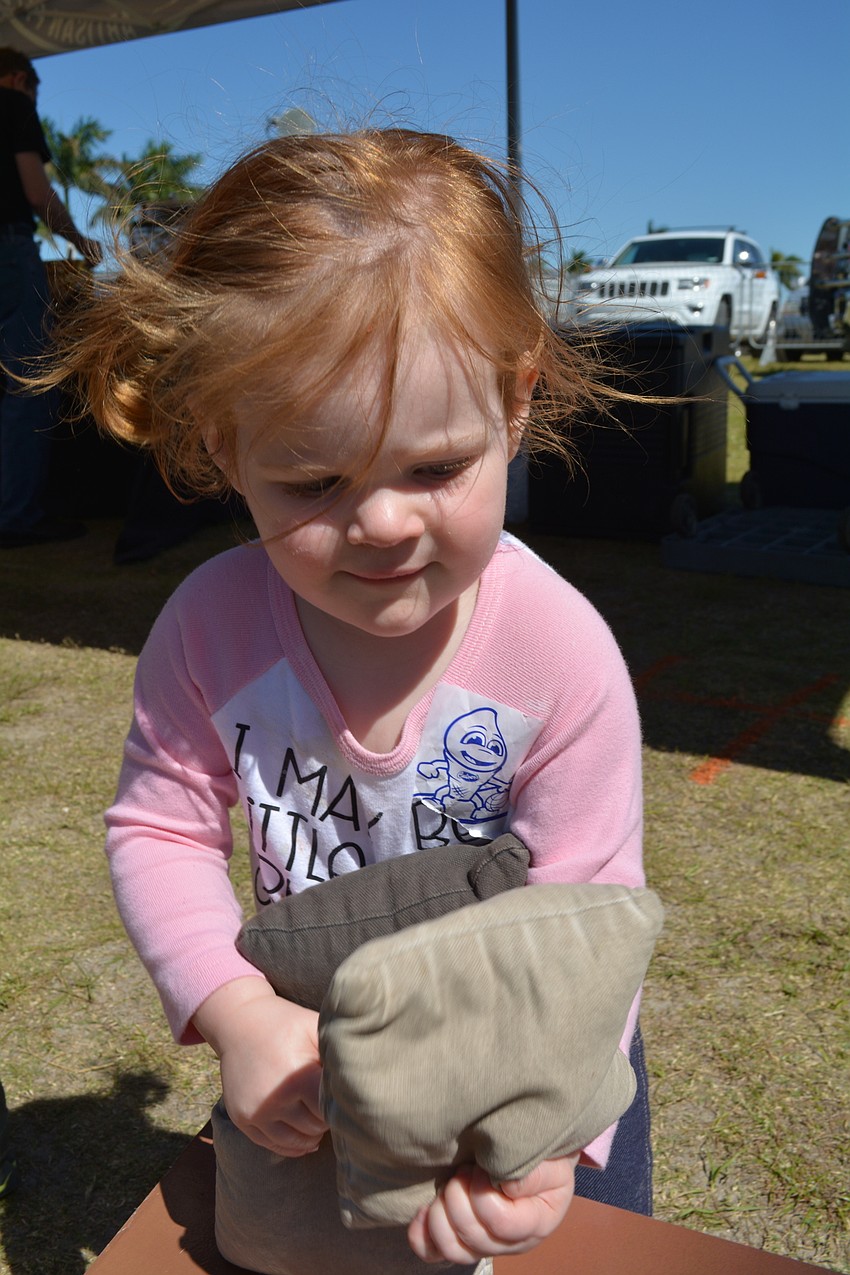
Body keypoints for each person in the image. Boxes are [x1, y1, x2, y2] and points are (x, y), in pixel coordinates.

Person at [36, 129, 649, 1271]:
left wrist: (548, 1136)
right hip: (301, 1043)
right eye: (314, 482)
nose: (379, 524)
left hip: (525, 1044)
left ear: (514, 408)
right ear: (224, 444)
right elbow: (160, 826)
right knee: (282, 1253)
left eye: (432, 469)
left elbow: (589, 908)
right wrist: (235, 1010)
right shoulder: (210, 629)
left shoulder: (558, 651)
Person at [0, 46, 101, 548]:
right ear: (19, 79)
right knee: (30, 381)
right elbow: (37, 194)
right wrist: (80, 241)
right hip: (8, 250)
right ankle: (17, 515)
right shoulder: (12, 105)